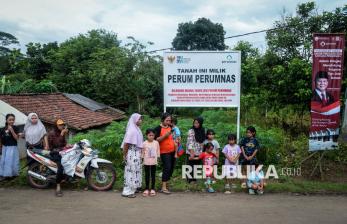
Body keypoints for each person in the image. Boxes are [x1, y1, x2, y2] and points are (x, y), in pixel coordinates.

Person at [121, 113, 143, 198]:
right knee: (130, 171)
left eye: (141, 119)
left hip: (136, 153)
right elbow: (126, 144)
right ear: (135, 120)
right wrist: (125, 155)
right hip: (131, 153)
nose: (141, 121)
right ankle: (127, 191)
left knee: (135, 171)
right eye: (139, 119)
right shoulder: (132, 130)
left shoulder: (137, 129)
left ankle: (133, 188)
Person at [154, 112, 175, 194]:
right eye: (167, 120)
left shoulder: (171, 127)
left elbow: (174, 136)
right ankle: (163, 187)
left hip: (172, 150)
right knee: (167, 167)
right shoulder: (158, 128)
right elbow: (155, 140)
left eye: (170, 120)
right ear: (162, 120)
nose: (168, 122)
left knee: (171, 168)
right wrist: (165, 136)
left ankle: (166, 183)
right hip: (164, 152)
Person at [48, 119, 69, 197]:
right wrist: (62, 134)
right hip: (54, 152)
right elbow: (56, 144)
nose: (62, 126)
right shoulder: (52, 133)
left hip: (61, 151)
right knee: (60, 166)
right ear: (56, 126)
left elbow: (63, 143)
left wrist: (67, 145)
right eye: (59, 125)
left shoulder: (60, 132)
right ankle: (58, 186)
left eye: (62, 124)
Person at [0, 114, 20, 181]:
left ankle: (12, 174)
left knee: (12, 161)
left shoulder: (15, 128)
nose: (12, 121)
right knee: (4, 161)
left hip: (13, 147)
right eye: (10, 120)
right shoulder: (3, 129)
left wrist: (12, 130)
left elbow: (16, 138)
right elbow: (1, 139)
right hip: (5, 148)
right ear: (6, 120)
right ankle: (4, 174)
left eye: (13, 120)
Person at [186, 117, 205, 183]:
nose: (195, 124)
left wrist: (202, 152)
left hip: (199, 151)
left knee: (196, 166)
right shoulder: (191, 130)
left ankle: (195, 180)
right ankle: (190, 180)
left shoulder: (202, 130)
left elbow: (203, 141)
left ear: (200, 123)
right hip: (192, 151)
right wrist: (192, 153)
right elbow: (190, 142)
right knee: (190, 166)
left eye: (197, 123)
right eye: (194, 123)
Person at [142, 128, 160, 197]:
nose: (151, 136)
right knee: (147, 175)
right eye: (150, 135)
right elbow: (142, 152)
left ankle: (152, 188)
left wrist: (158, 158)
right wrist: (142, 158)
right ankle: (146, 188)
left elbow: (158, 151)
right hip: (146, 162)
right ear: (147, 135)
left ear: (154, 135)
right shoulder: (144, 143)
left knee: (153, 175)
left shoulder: (156, 143)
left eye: (153, 135)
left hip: (153, 162)